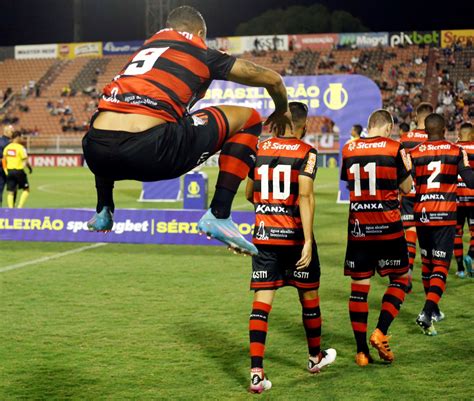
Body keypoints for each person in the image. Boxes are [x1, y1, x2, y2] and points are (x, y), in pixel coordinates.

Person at [82, 6, 292, 256]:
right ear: (200, 32)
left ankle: (104, 208)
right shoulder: (201, 51)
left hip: (95, 152)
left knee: (115, 110)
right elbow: (273, 79)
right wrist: (282, 109)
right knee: (250, 118)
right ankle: (219, 214)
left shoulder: (145, 49)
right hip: (151, 151)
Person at [245, 102, 336, 393]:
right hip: (295, 238)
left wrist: (268, 212)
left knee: (262, 304)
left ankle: (256, 374)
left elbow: (250, 193)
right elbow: (305, 196)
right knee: (308, 296)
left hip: (265, 237)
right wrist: (308, 240)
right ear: (302, 125)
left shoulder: (258, 149)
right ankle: (314, 358)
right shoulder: (306, 152)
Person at [341, 109, 412, 366]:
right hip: (389, 228)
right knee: (401, 279)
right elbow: (406, 188)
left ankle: (361, 353)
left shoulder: (349, 149)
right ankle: (380, 331)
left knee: (359, 289)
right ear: (388, 128)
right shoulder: (395, 147)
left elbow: (349, 184)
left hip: (359, 228)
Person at [411, 114, 474, 335]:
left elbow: (408, 185)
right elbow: (470, 180)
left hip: (422, 215)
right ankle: (427, 313)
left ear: (426, 130)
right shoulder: (455, 151)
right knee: (440, 266)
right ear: (445, 129)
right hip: (444, 214)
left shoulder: (415, 152)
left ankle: (434, 310)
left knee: (427, 261)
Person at [399, 102, 433, 292]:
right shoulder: (434, 137)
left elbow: (400, 167)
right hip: (429, 193)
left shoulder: (404, 138)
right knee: (429, 235)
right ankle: (430, 277)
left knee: (410, 232)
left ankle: (408, 273)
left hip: (409, 192)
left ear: (416, 116)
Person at [454, 122, 474, 277]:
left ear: (459, 135)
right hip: (473, 196)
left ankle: (460, 268)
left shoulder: (453, 149)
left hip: (457, 197)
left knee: (457, 233)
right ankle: (470, 255)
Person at [2, 132, 32, 208]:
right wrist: (29, 168)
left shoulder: (7, 148)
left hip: (10, 171)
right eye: (20, 137)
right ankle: (19, 207)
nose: (21, 139)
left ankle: (10, 208)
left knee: (10, 192)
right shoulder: (20, 148)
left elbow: (4, 160)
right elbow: (25, 160)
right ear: (17, 137)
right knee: (26, 189)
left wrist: (6, 170)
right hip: (19, 171)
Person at [0, 125, 13, 206]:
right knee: (11, 190)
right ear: (7, 132)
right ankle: (11, 210)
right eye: (12, 131)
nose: (13, 133)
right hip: (5, 169)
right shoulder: (8, 144)